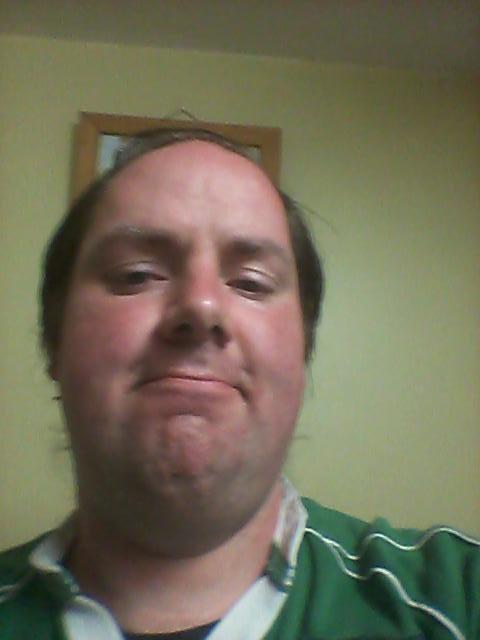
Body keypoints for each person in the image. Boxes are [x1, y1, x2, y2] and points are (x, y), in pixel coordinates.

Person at [0, 129, 478, 640]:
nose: (202, 306)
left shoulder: (456, 599)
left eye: (251, 282)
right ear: (54, 339)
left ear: (302, 354)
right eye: (137, 274)